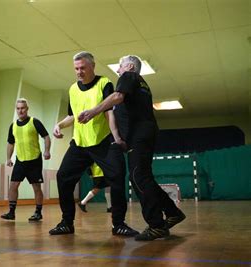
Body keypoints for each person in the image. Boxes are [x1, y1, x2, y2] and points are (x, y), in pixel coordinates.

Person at [78, 55, 186, 241]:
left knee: (138, 177)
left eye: (119, 67)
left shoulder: (129, 76)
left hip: (140, 136)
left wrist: (93, 111)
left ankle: (156, 225)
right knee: (144, 177)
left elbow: (118, 97)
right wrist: (119, 137)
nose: (118, 70)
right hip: (144, 134)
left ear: (129, 66)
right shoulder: (141, 83)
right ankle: (172, 212)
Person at [49, 51, 138, 237]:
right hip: (79, 144)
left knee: (117, 175)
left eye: (83, 68)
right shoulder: (73, 89)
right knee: (63, 177)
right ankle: (66, 222)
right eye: (76, 68)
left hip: (102, 142)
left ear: (92, 66)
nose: (79, 72)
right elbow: (72, 115)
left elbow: (109, 112)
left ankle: (118, 224)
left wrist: (116, 137)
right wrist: (59, 125)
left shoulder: (104, 83)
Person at [0, 98, 51, 222]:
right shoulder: (13, 126)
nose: (20, 110)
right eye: (18, 108)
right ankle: (11, 212)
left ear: (27, 109)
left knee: (36, 187)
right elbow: (10, 143)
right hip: (20, 161)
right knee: (13, 186)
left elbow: (46, 136)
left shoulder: (35, 122)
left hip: (34, 160)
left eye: (22, 108)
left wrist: (47, 151)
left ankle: (38, 212)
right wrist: (8, 158)